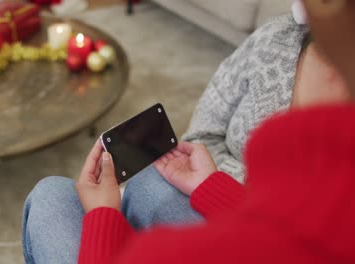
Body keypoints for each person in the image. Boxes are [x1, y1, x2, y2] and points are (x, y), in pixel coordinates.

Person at [21, 1, 354, 264]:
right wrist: (214, 187)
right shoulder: (276, 39)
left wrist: (103, 217)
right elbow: (297, 231)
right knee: (150, 181)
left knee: (50, 196)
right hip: (244, 210)